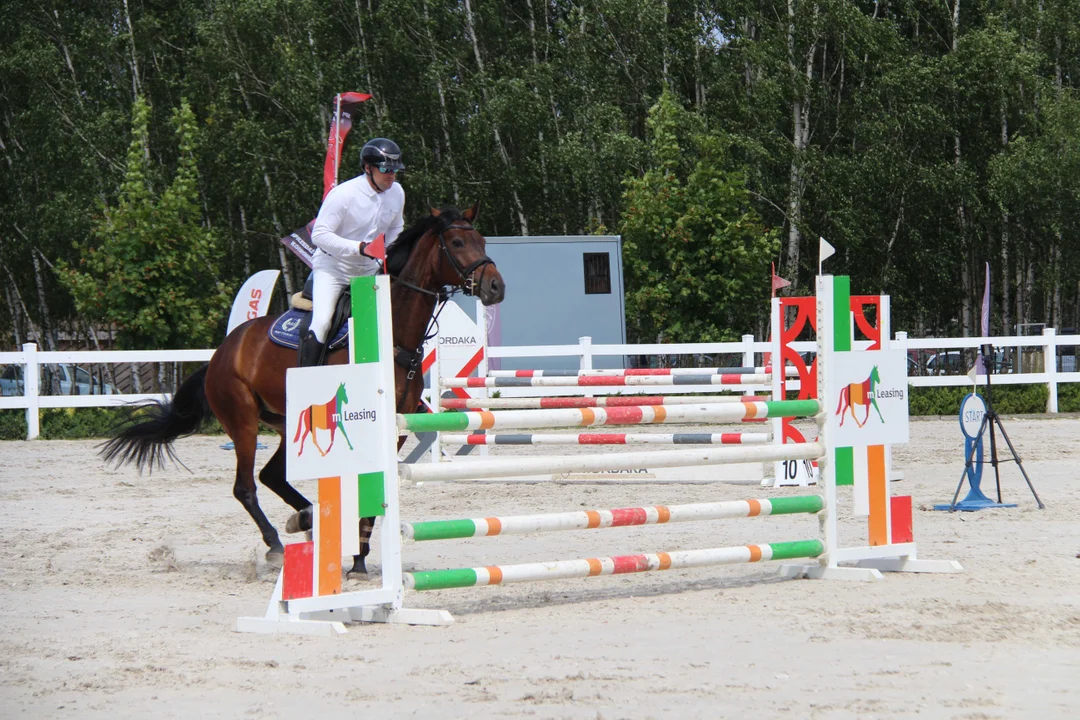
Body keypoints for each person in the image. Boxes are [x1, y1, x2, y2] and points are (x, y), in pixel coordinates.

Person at [300, 138, 406, 366]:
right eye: (386, 169)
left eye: (395, 170)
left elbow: (397, 225)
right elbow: (319, 235)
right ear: (368, 168)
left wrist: (389, 251)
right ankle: (307, 379)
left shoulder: (397, 192)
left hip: (369, 269)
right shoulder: (343, 194)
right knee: (322, 321)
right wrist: (358, 248)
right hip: (334, 269)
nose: (392, 176)